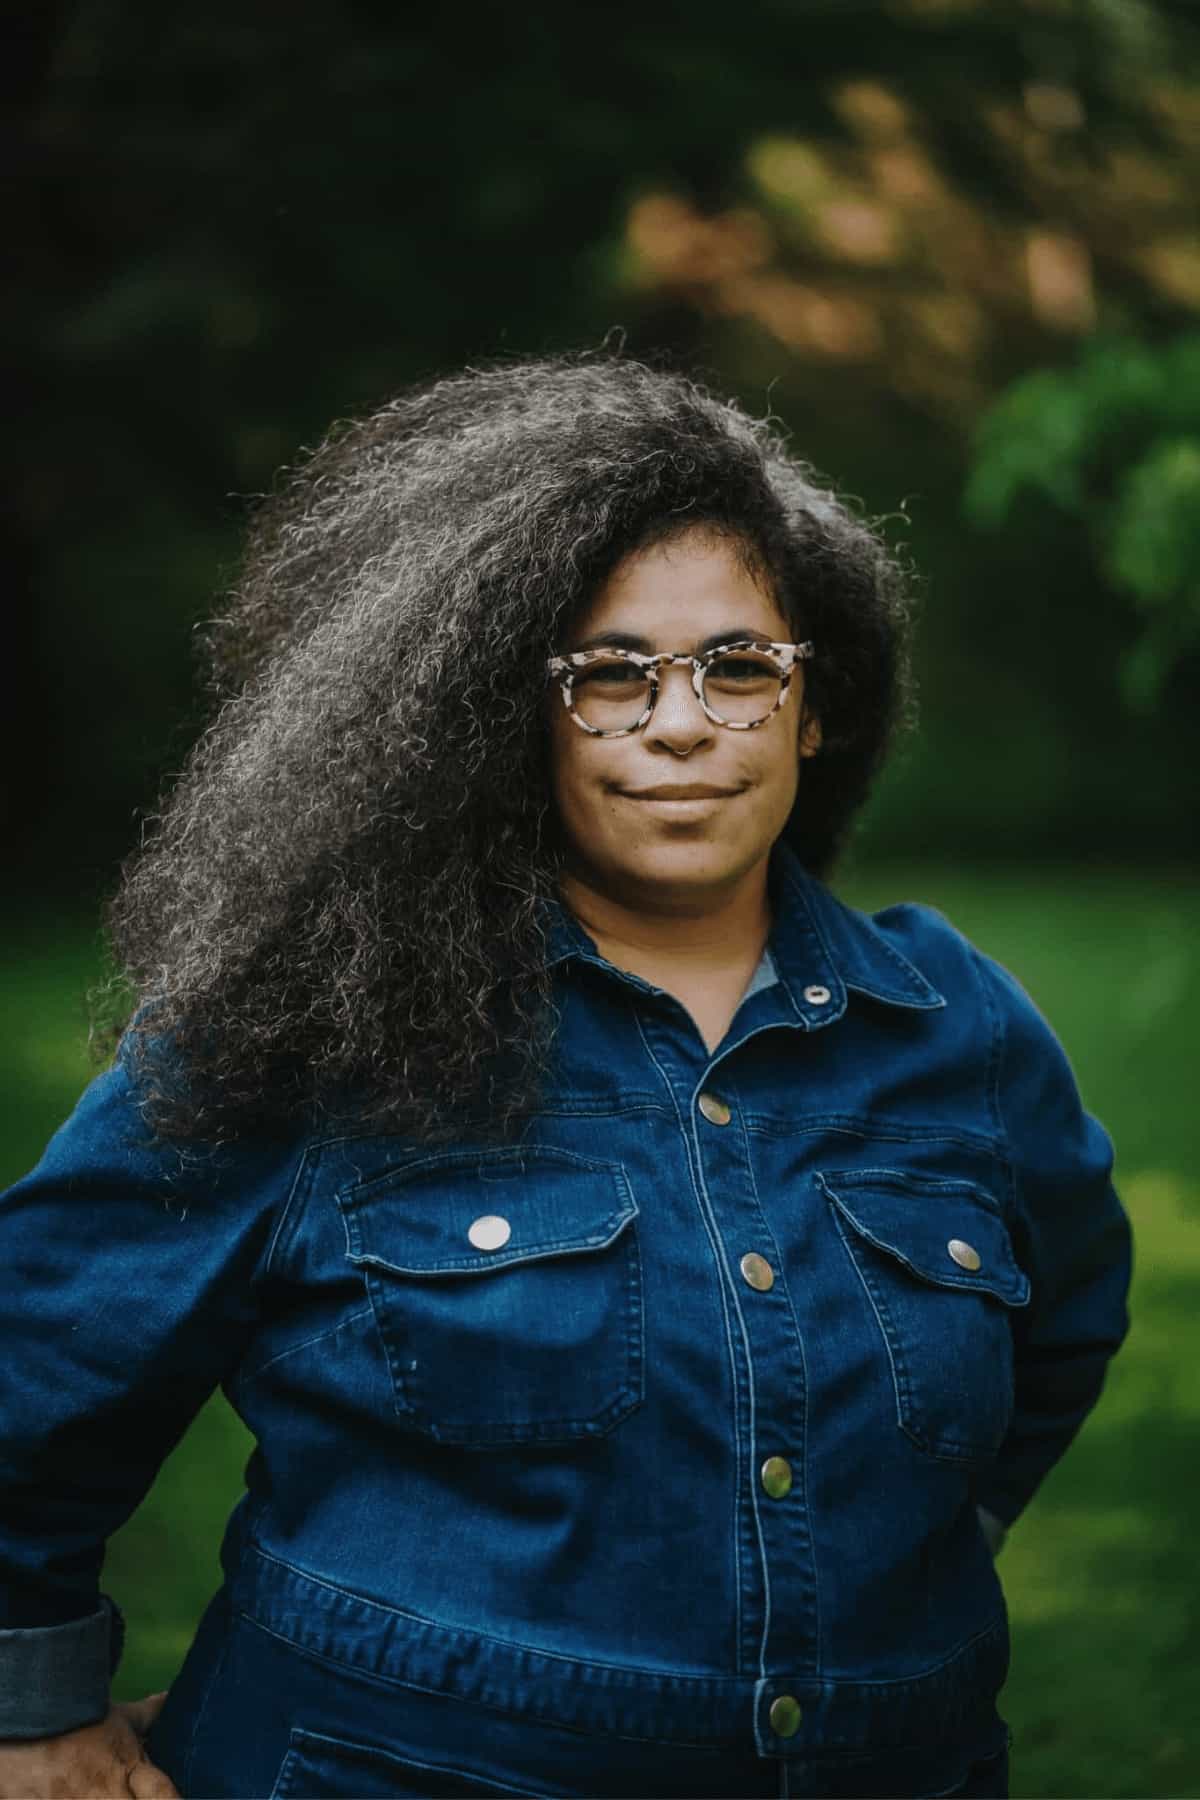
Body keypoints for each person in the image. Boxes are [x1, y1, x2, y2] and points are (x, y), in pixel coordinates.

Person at [0, 352, 1131, 1800]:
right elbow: (37, 1368)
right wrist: (30, 1704)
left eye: (738, 666)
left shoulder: (959, 1028)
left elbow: (1068, 1321)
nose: (680, 722)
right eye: (609, 674)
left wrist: (894, 1568)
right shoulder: (315, 1019)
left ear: (815, 705)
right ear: (502, 712)